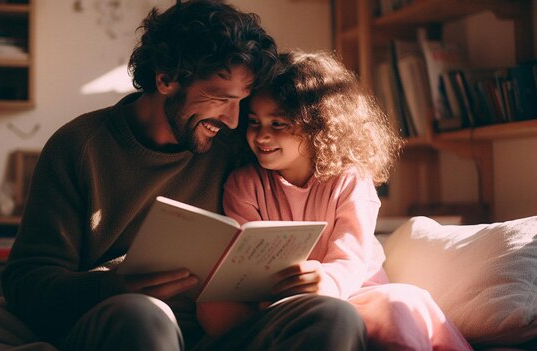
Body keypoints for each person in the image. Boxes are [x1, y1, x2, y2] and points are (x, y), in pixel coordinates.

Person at [2, 1, 367, 350]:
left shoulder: (235, 144)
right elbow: (25, 284)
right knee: (143, 315)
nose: (234, 120)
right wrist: (107, 288)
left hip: (220, 334)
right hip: (123, 324)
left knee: (333, 316)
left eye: (242, 102)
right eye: (221, 98)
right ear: (166, 79)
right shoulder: (80, 148)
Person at [197, 50, 474, 350]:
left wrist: (326, 283)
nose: (261, 136)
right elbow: (247, 263)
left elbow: (350, 259)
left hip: (356, 292)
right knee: (212, 306)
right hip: (279, 299)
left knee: (399, 303)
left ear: (318, 125)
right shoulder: (244, 184)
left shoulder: (349, 179)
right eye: (254, 122)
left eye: (278, 124)